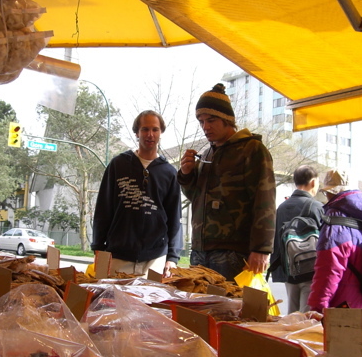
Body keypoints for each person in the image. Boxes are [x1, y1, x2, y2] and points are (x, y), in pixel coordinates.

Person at [178, 83, 276, 281]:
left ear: (227, 120)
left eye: (211, 120)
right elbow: (197, 199)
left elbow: (265, 201)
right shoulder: (206, 154)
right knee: (200, 310)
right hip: (199, 251)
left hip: (233, 254)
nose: (206, 127)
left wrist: (261, 249)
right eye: (201, 121)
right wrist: (187, 174)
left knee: (231, 311)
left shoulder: (252, 149)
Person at [91, 110, 182, 278]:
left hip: (155, 259)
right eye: (145, 129)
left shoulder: (169, 172)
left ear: (161, 133)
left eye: (155, 129)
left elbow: (174, 217)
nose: (150, 134)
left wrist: (173, 256)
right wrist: (98, 245)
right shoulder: (118, 165)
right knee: (113, 302)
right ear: (137, 133)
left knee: (150, 304)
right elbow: (103, 208)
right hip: (118, 255)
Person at [307, 169, 362, 322]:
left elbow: (329, 269)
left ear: (330, 192)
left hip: (343, 310)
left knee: (338, 346)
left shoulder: (335, 220)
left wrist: (318, 307)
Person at [270, 165, 324, 314]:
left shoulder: (282, 207)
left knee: (292, 315)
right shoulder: (317, 207)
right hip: (311, 270)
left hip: (289, 270)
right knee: (307, 317)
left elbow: (276, 240)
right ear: (313, 182)